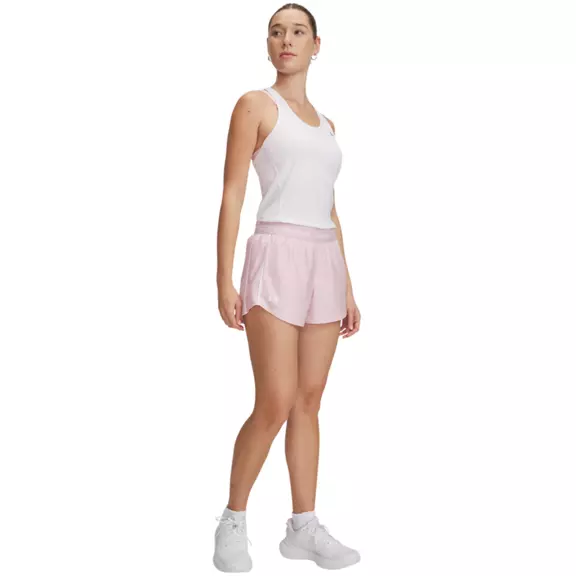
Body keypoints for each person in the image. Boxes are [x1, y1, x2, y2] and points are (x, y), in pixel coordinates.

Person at [214, 3, 361, 572]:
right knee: (274, 399)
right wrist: (223, 277)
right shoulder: (255, 105)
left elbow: (329, 206)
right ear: (268, 44)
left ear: (316, 45)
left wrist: (348, 286)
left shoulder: (327, 125)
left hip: (325, 259)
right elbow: (232, 192)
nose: (287, 40)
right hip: (275, 253)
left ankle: (303, 527)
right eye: (277, 32)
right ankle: (233, 520)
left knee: (309, 399)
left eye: (298, 32)